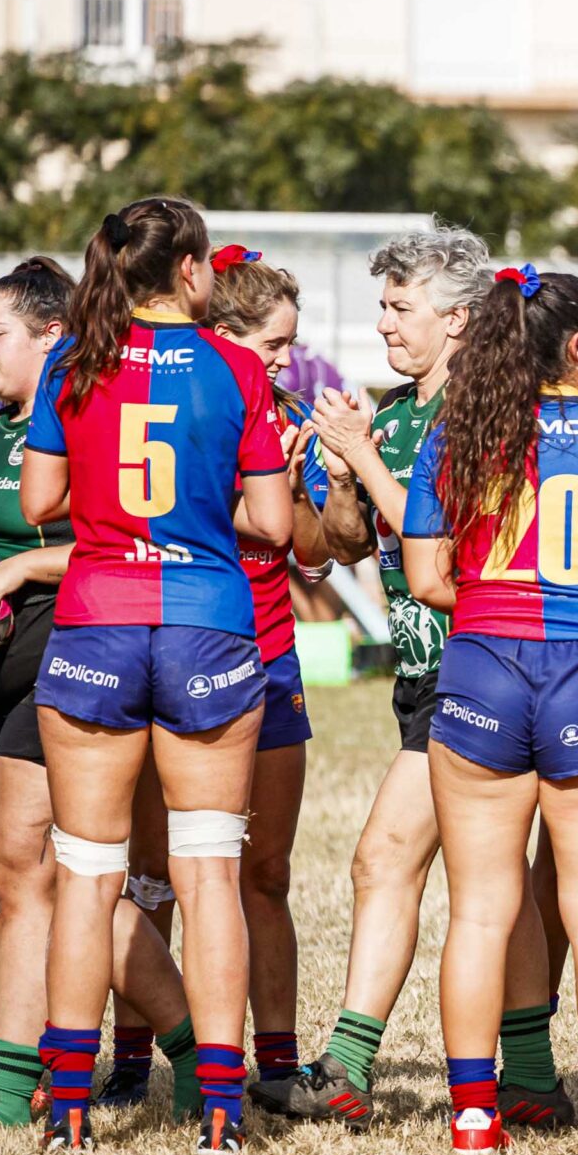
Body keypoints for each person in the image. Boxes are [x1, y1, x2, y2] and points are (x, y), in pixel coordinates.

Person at [22, 198, 292, 1153]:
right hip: (207, 626)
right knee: (208, 872)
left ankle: (68, 1110)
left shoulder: (73, 360)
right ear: (186, 270)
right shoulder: (235, 366)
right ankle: (221, 1111)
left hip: (96, 621)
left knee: (86, 875)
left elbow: (40, 498)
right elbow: (275, 523)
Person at [277, 228, 561, 1131]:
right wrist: (338, 479)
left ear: (459, 318)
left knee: (384, 857)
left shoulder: (490, 413)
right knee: (497, 876)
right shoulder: (395, 415)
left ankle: (347, 1064)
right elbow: (348, 545)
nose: (385, 323)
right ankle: (532, 1075)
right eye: (385, 305)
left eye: (402, 307)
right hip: (421, 671)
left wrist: (361, 458)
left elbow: (448, 547)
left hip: (475, 668)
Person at [401, 266, 578, 1155]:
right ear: (576, 345)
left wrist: (503, 601)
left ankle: (472, 1115)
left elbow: (426, 578)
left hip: (483, 666)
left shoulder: (457, 432)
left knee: (480, 910)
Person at [198, 250, 333, 1107]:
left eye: (291, 343)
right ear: (223, 335)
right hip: (195, 646)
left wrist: (299, 486)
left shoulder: (286, 414)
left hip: (273, 651)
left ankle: (277, 1065)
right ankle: (154, 1056)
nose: (287, 360)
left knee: (268, 872)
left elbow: (311, 552)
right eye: (273, 345)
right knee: (168, 870)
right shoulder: (191, 402)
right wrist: (260, 499)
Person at [0, 261, 75, 1129]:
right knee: (47, 881)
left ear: (51, 337)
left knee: (23, 871)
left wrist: (26, 565)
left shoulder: (80, 429)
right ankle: (191, 1051)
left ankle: (4, 1085)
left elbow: (119, 543)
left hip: (66, 658)